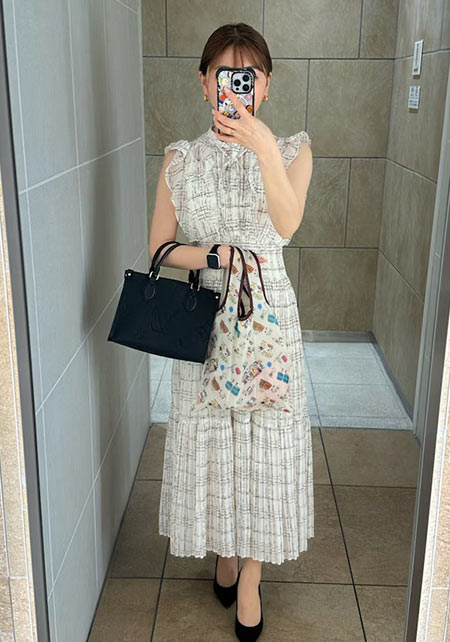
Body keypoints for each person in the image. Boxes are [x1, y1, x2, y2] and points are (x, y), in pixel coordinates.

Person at [149, 22, 314, 641]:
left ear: (265, 85)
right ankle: (224, 548)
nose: (237, 87)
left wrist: (263, 147)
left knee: (267, 448)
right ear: (204, 83)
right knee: (215, 446)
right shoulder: (180, 160)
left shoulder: (293, 151)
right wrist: (213, 254)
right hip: (205, 320)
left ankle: (250, 575)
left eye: (249, 76)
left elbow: (286, 224)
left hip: (270, 319)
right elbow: (159, 249)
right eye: (225, 75)